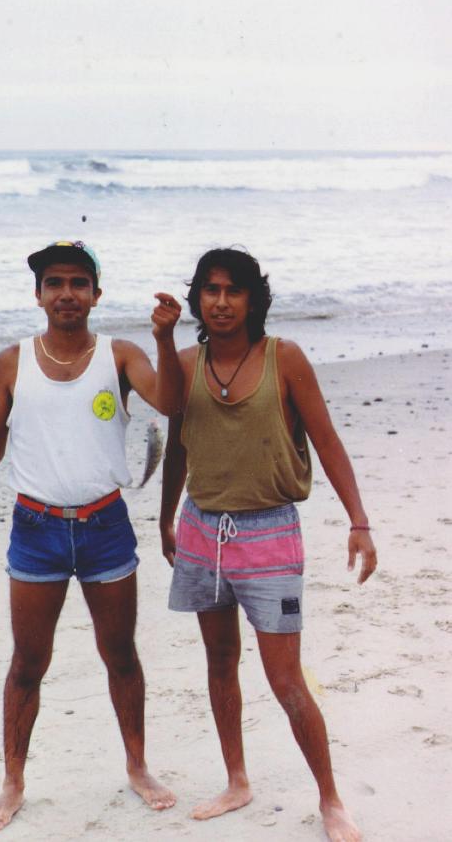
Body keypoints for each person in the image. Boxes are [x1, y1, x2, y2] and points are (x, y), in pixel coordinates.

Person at [0, 240, 182, 832]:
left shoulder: (120, 356)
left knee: (120, 655)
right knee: (27, 663)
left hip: (106, 526)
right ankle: (13, 781)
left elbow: (171, 402)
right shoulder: (11, 362)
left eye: (78, 282)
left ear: (96, 293)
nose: (66, 293)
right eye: (54, 283)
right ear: (39, 294)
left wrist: (166, 340)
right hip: (35, 528)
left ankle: (138, 766)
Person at [159, 247, 377, 842]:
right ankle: (237, 779)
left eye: (233, 291)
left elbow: (328, 442)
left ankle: (330, 799)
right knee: (220, 663)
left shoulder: (286, 359)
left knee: (285, 680)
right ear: (197, 298)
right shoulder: (183, 363)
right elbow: (177, 443)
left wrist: (359, 520)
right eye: (210, 290)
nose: (221, 302)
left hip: (269, 532)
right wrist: (164, 521)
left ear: (254, 298)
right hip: (202, 529)